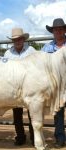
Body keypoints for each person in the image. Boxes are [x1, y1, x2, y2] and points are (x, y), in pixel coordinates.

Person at [4, 27, 36, 146]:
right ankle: (20, 136)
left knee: (32, 112)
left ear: (23, 39)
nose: (17, 41)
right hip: (15, 87)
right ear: (12, 41)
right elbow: (5, 71)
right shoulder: (7, 53)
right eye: (15, 39)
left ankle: (34, 137)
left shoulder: (31, 50)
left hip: (30, 87)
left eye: (19, 38)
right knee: (17, 114)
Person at [42, 18, 66, 148]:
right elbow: (42, 66)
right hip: (57, 87)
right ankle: (60, 138)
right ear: (53, 32)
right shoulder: (47, 47)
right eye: (55, 29)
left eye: (61, 29)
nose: (58, 31)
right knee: (58, 113)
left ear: (64, 30)